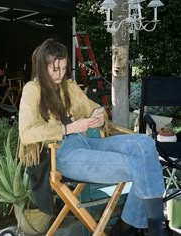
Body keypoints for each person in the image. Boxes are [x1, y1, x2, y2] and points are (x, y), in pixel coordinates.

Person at [18, 38, 169, 236]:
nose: (60, 74)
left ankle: (133, 227)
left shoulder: (69, 86)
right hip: (61, 154)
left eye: (64, 68)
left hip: (86, 142)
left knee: (145, 144)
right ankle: (142, 228)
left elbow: (94, 108)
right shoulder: (32, 90)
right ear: (42, 67)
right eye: (55, 69)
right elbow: (27, 133)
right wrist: (68, 128)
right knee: (144, 165)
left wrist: (99, 116)